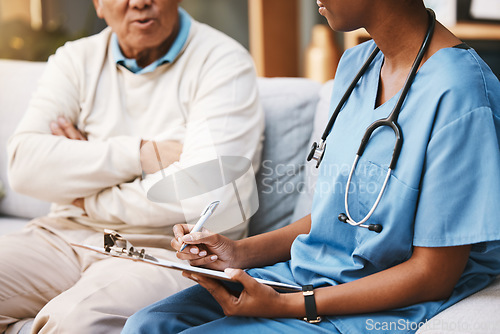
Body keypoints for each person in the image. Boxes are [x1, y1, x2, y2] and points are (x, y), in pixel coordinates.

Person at [122, 0, 500, 333]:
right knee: (148, 324)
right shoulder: (357, 64)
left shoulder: (459, 91)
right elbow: (333, 219)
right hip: (306, 277)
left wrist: (292, 304)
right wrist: (237, 253)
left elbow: (433, 275)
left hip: (375, 305)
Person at [1, 0, 263, 333]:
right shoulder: (75, 60)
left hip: (164, 250)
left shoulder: (223, 62)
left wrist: (84, 189)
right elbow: (22, 167)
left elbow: (206, 198)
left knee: (75, 322)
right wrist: (140, 154)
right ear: (97, 4)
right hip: (64, 234)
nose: (139, 2)